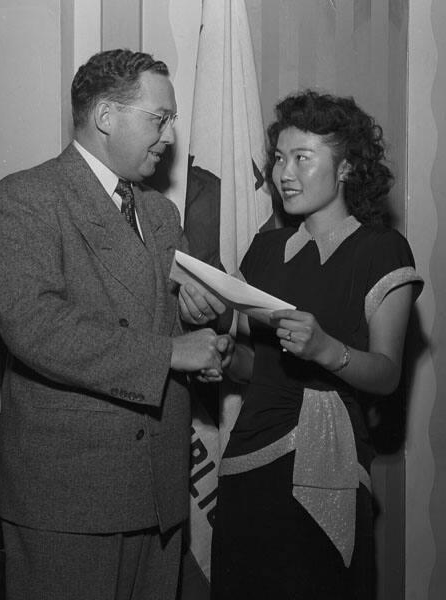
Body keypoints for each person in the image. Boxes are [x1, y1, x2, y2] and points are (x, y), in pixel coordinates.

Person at [0, 49, 230, 600]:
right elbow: (36, 327)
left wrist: (203, 334)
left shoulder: (161, 214)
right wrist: (170, 354)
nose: (169, 135)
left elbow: (166, 321)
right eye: (157, 118)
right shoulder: (24, 199)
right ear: (105, 117)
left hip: (159, 491)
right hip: (70, 496)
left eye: (172, 120)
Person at [182, 90, 423, 599]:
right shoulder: (266, 249)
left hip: (326, 460)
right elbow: (257, 366)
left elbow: (386, 374)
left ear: (345, 169)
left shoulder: (382, 250)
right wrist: (227, 358)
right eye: (278, 158)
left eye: (301, 158)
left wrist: (326, 350)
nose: (282, 173)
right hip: (247, 457)